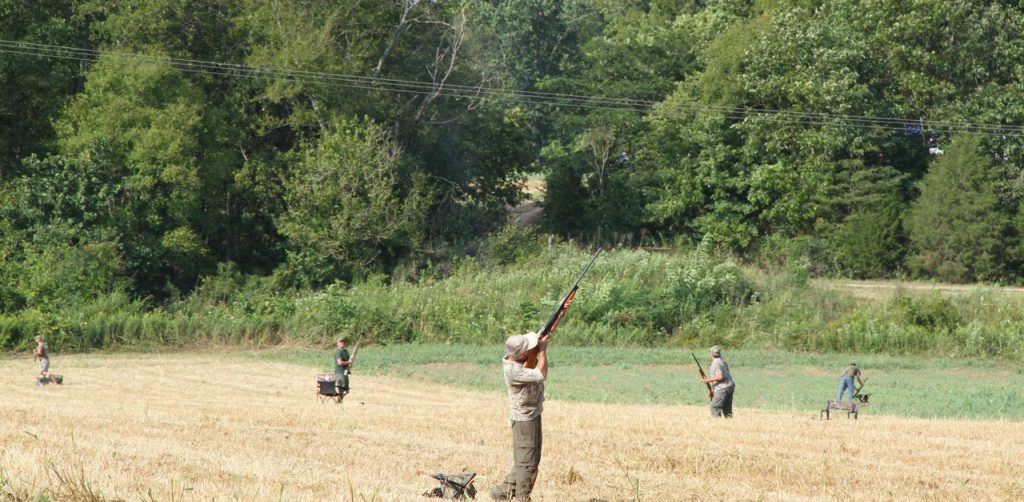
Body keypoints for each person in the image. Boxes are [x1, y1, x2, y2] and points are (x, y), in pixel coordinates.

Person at [490, 331, 548, 501]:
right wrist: (543, 351)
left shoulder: (516, 355)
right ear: (523, 354)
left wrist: (560, 312)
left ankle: (502, 492)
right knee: (527, 463)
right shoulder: (514, 371)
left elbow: (538, 336)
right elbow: (541, 374)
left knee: (529, 458)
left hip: (532, 412)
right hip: (524, 419)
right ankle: (522, 497)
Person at [701, 345, 735, 418]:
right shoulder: (722, 361)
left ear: (711, 354)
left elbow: (720, 377)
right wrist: (712, 390)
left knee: (715, 407)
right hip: (730, 386)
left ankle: (717, 425)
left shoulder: (715, 363)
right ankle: (730, 426)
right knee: (727, 410)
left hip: (722, 388)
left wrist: (707, 380)